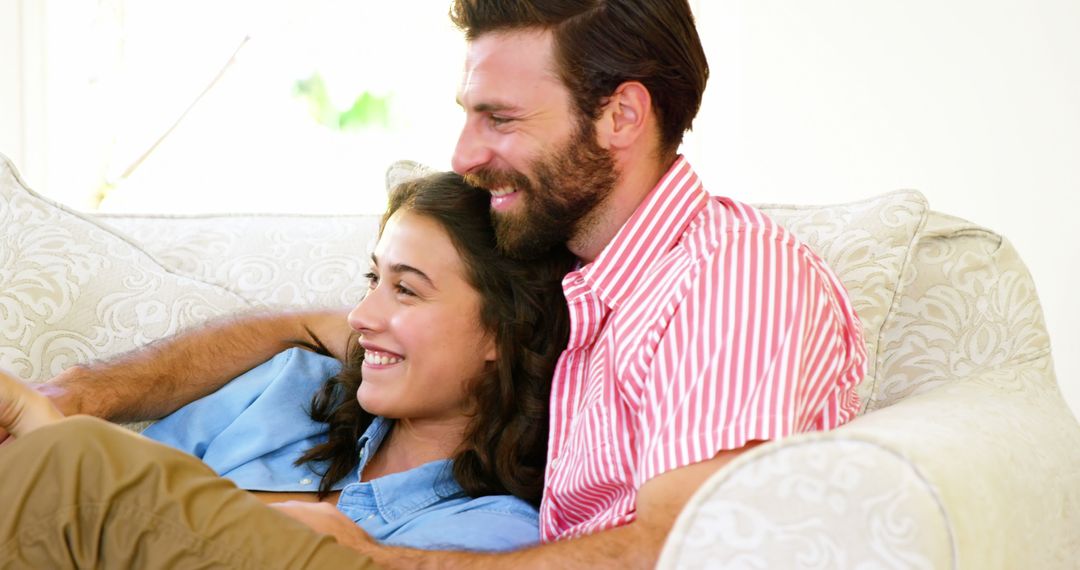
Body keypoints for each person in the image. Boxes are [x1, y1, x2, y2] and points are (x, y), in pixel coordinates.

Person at [25, 0, 868, 567]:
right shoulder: (583, 283)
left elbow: (678, 546)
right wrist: (71, 392)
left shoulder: (729, 273)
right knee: (64, 462)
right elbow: (352, 327)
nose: (464, 154)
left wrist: (385, 557)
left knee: (84, 473)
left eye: (499, 118)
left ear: (621, 117)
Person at [0, 171, 574, 567]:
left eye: (406, 290)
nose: (361, 315)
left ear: (502, 329)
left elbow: (111, 494)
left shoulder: (492, 534)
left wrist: (54, 434)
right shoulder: (293, 388)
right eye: (373, 280)